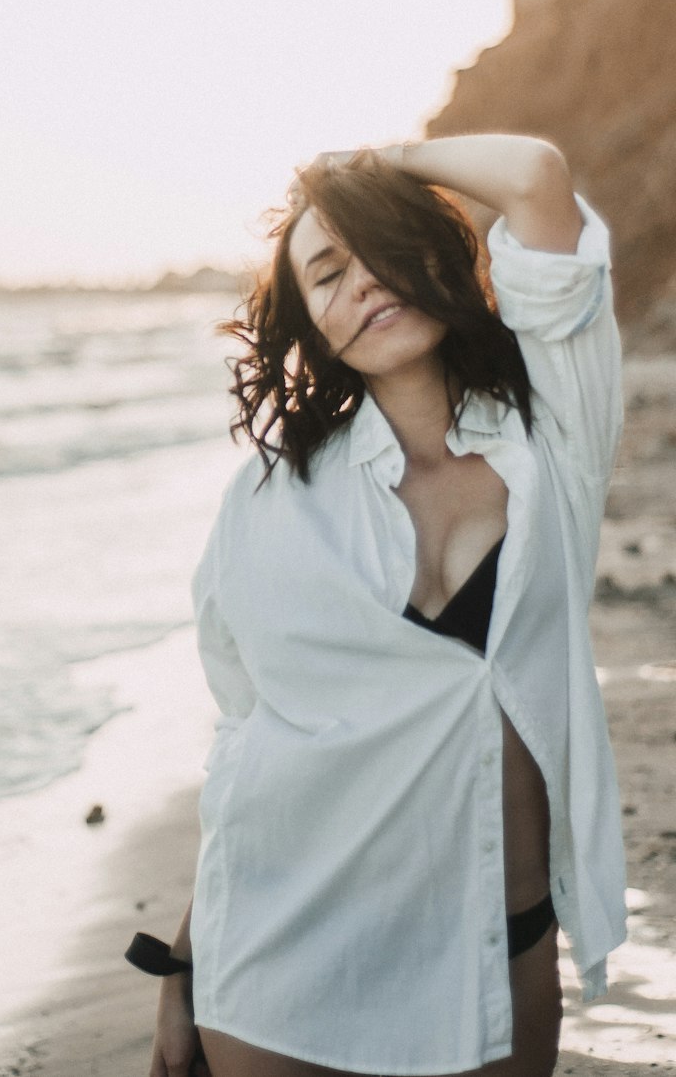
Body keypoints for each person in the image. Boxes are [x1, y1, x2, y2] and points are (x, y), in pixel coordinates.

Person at [143, 134, 626, 1077]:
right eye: (326, 275)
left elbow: (535, 177)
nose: (362, 284)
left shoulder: (552, 436)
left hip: (501, 949)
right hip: (285, 958)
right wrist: (185, 961)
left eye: (383, 251)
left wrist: (368, 168)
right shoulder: (269, 500)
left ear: (438, 256)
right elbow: (251, 738)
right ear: (311, 324)